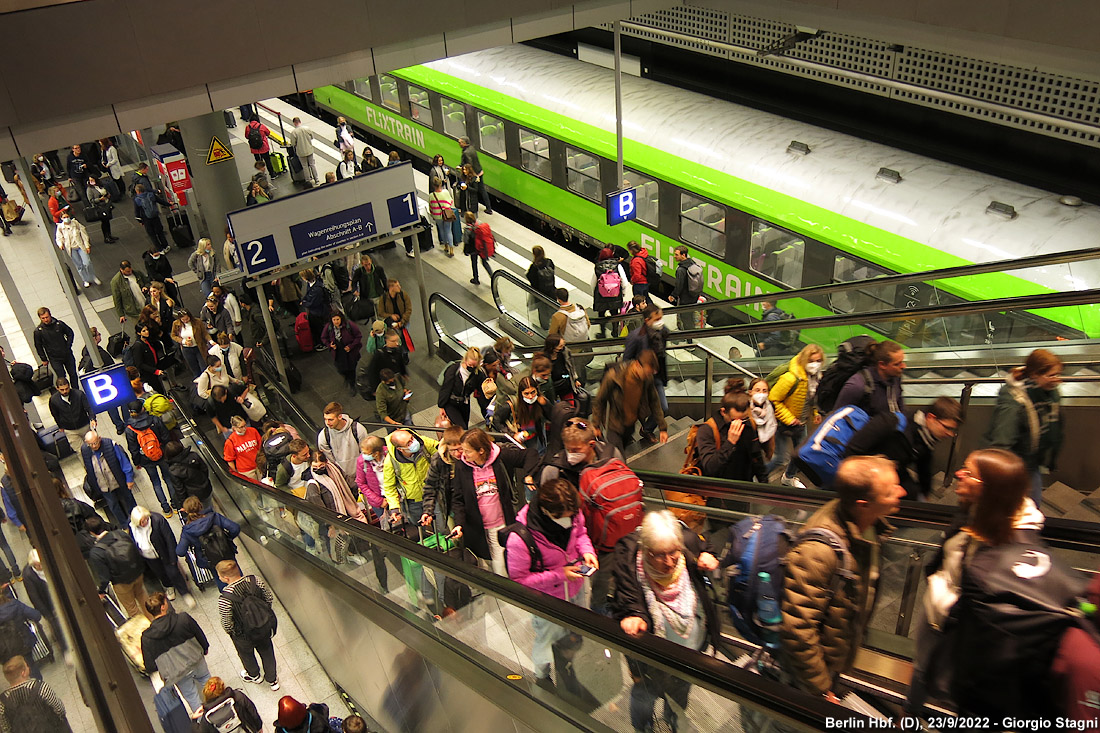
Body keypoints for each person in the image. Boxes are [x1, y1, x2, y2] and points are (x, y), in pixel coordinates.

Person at [778, 456, 903, 699]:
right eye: (890, 491)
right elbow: (797, 629)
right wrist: (821, 687)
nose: (902, 491)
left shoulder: (865, 524)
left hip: (836, 651)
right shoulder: (817, 553)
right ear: (863, 503)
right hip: (811, 672)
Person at [611, 510, 720, 733]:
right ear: (645, 550)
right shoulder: (631, 560)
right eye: (659, 554)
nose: (669, 562)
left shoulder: (687, 541)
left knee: (680, 696)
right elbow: (626, 599)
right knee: (644, 696)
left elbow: (705, 545)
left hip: (689, 653)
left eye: (674, 552)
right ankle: (643, 727)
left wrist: (708, 553)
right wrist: (634, 616)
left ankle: (673, 718)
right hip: (651, 659)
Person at [506, 478, 598, 688]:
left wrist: (587, 551)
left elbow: (581, 533)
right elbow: (520, 580)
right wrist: (560, 574)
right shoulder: (520, 538)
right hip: (548, 602)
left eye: (572, 515)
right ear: (548, 512)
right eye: (565, 517)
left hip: (576, 589)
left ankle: (570, 669)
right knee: (546, 642)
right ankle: (542, 677)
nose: (571, 520)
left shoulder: (572, 513)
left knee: (575, 636)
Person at [451, 428, 538, 575]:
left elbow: (530, 454)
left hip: (503, 522)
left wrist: (529, 475)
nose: (463, 454)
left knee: (504, 559)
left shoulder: (501, 457)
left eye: (467, 451)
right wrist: (459, 523)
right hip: (479, 526)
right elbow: (458, 498)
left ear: (481, 451)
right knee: (494, 560)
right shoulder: (462, 466)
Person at [983, 348, 1065, 504]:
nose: (1057, 380)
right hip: (1016, 465)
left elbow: (1055, 427)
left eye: (1058, 374)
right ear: (1035, 375)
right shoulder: (1014, 400)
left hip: (1033, 462)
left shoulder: (1049, 392)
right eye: (1051, 375)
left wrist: (1051, 459)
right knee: (1018, 509)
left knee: (1030, 508)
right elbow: (1002, 439)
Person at [845, 396, 962, 500]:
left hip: (892, 472)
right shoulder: (892, 423)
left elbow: (924, 466)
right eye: (947, 428)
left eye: (953, 430)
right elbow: (853, 449)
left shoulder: (927, 437)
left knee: (913, 495)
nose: (950, 434)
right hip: (868, 476)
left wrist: (925, 495)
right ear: (931, 418)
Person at [766, 343, 826, 488]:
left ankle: (788, 477)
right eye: (811, 361)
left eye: (818, 361)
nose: (815, 365)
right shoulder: (791, 377)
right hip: (783, 423)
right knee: (780, 458)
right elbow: (773, 399)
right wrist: (788, 418)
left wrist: (815, 413)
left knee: (800, 455)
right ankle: (756, 475)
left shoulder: (816, 377)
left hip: (801, 422)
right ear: (804, 360)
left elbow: (811, 399)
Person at [140, 591, 210, 712]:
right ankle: (222, 709)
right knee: (208, 683)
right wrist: (204, 649)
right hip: (196, 661)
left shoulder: (147, 638)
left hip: (176, 674)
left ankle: (204, 722)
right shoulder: (183, 618)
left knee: (192, 697)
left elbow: (150, 666)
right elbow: (200, 636)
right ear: (163, 607)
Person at [217, 559, 279, 690]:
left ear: (225, 578)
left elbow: (227, 622)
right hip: (262, 628)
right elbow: (269, 598)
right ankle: (272, 680)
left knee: (246, 655)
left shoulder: (225, 598)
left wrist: (232, 632)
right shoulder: (255, 580)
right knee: (267, 651)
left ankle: (255, 676)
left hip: (243, 635)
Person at [593, 350, 668, 452]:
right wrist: (595, 425)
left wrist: (662, 427)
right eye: (646, 373)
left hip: (630, 426)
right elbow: (600, 400)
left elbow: (654, 401)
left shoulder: (647, 379)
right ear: (637, 365)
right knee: (619, 460)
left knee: (622, 453)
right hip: (614, 425)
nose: (648, 376)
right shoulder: (614, 376)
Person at [303, 450, 367, 564]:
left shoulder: (334, 469)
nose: (318, 469)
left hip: (345, 508)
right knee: (339, 539)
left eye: (321, 465)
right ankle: (345, 556)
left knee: (349, 535)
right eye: (315, 466)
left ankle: (350, 553)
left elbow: (348, 481)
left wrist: (352, 497)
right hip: (332, 517)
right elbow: (318, 508)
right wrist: (329, 524)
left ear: (326, 462)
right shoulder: (313, 484)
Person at [692, 387, 768, 483]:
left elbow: (757, 458)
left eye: (743, 419)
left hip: (744, 485)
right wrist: (730, 442)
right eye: (734, 420)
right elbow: (710, 467)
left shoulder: (749, 424)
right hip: (716, 488)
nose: (739, 424)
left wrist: (764, 484)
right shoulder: (707, 430)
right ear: (723, 412)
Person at [86, 515, 150, 619]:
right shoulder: (120, 533)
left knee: (132, 608)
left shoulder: (96, 552)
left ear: (91, 533)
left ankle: (146, 629)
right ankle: (154, 619)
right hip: (137, 573)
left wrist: (101, 591)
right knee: (142, 595)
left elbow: (104, 577)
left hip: (122, 583)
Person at [125, 400, 178, 515]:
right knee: (168, 479)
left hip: (146, 460)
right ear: (143, 409)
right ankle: (175, 505)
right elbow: (165, 437)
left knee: (156, 482)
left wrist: (137, 462)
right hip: (162, 454)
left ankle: (166, 509)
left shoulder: (130, 429)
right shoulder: (154, 420)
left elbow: (133, 449)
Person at [382, 429, 439, 537]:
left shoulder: (424, 443)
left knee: (442, 526)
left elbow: (441, 451)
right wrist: (394, 508)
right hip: (413, 502)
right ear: (400, 449)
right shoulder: (391, 462)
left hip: (434, 495)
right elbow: (389, 487)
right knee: (422, 530)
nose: (413, 442)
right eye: (408, 443)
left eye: (412, 438)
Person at [178, 496, 241, 592]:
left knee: (219, 576)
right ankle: (243, 588)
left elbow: (180, 551)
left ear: (186, 511)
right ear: (201, 506)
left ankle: (228, 596)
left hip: (209, 559)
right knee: (235, 572)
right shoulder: (214, 517)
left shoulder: (187, 530)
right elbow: (235, 528)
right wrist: (227, 539)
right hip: (226, 551)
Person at [623, 305, 669, 436]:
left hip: (656, 377)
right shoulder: (636, 337)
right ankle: (625, 436)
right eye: (657, 319)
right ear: (647, 320)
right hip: (639, 380)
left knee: (663, 407)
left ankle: (647, 429)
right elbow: (626, 360)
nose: (660, 321)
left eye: (661, 318)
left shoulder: (662, 332)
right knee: (633, 411)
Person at [834, 339, 906, 417]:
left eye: (902, 361)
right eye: (897, 364)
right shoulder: (857, 385)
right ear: (882, 365)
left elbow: (900, 407)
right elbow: (837, 418)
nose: (903, 366)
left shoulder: (895, 376)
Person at [81, 430, 137, 527]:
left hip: (118, 480)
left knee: (128, 499)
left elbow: (124, 462)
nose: (94, 446)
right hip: (103, 485)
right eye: (90, 444)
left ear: (99, 438)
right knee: (113, 505)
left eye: (95, 442)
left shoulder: (110, 445)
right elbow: (89, 468)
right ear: (86, 443)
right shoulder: (85, 450)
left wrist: (129, 479)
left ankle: (136, 519)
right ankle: (124, 525)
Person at [0, 656, 70, 733]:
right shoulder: (41, 687)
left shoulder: (3, 701)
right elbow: (60, 709)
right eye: (27, 666)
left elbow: (5, 728)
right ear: (23, 673)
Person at [492, 376, 550, 458]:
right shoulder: (512, 405)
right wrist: (512, 435)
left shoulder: (540, 401)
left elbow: (550, 416)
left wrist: (545, 405)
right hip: (521, 438)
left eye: (533, 392)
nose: (530, 396)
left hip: (537, 434)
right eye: (526, 393)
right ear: (521, 393)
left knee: (540, 454)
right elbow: (496, 420)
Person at [22, 550, 65, 656]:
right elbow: (34, 597)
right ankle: (64, 648)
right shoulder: (28, 575)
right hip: (48, 605)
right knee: (57, 627)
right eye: (38, 565)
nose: (41, 566)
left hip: (61, 599)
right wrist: (46, 614)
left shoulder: (49, 564)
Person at [317, 402, 367, 485]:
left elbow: (365, 453)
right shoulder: (324, 436)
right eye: (325, 419)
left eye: (331, 419)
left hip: (363, 474)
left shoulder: (357, 429)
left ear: (340, 416)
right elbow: (330, 461)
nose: (327, 423)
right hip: (343, 479)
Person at [193, 676, 263, 733]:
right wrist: (259, 728)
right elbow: (253, 713)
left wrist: (194, 719)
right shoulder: (237, 696)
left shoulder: (207, 716)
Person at [437, 347, 484, 429]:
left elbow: (481, 387)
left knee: (465, 426)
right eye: (470, 365)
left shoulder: (478, 373)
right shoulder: (454, 370)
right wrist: (441, 406)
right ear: (465, 360)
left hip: (464, 403)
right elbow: (446, 388)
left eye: (474, 366)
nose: (472, 368)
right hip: (451, 403)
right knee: (462, 428)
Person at [32, 306, 78, 387]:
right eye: (43, 318)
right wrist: (44, 359)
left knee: (73, 374)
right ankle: (66, 391)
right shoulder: (39, 331)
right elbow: (38, 346)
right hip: (54, 358)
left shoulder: (59, 324)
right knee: (61, 377)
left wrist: (68, 345)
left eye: (47, 317)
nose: (45, 320)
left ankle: (76, 390)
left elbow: (70, 333)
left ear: (50, 315)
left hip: (67, 354)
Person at [54, 211, 101, 288]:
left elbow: (84, 234)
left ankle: (93, 277)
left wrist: (87, 246)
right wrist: (60, 244)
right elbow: (59, 238)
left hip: (80, 246)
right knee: (79, 265)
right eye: (64, 217)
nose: (66, 219)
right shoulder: (60, 228)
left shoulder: (75, 224)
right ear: (61, 218)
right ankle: (85, 279)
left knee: (87, 262)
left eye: (67, 216)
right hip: (72, 249)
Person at [358, 328, 408, 398]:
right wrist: (375, 389)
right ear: (386, 341)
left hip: (394, 377)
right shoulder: (379, 355)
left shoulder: (398, 350)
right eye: (393, 341)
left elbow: (400, 362)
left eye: (397, 340)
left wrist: (404, 373)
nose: (396, 343)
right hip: (384, 381)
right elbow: (372, 371)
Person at [321, 312, 363, 396]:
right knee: (341, 369)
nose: (336, 322)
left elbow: (358, 336)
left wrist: (351, 346)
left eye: (337, 319)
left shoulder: (349, 325)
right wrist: (330, 345)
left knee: (351, 368)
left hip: (350, 351)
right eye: (334, 320)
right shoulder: (329, 327)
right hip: (337, 351)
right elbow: (324, 337)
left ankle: (352, 384)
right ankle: (348, 378)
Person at [593, 247, 627, 337]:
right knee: (615, 314)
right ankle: (615, 333)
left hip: (601, 295)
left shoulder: (597, 266)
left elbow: (592, 283)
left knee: (601, 315)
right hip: (615, 294)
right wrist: (622, 292)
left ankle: (603, 333)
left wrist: (596, 293)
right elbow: (624, 282)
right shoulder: (618, 266)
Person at [669, 245, 704, 329]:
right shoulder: (692, 263)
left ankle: (689, 337)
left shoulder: (681, 270)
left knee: (685, 318)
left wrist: (673, 295)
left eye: (677, 255)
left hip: (685, 298)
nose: (674, 256)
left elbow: (679, 285)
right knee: (690, 315)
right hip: (693, 295)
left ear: (683, 255)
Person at [110, 260, 150, 331]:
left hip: (146, 305)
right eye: (127, 271)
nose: (130, 272)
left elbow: (147, 282)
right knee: (141, 329)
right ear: (121, 270)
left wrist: (146, 287)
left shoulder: (137, 273)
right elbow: (117, 299)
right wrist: (121, 314)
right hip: (134, 311)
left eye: (130, 270)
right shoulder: (116, 282)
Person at [458, 135, 493, 214]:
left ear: (464, 143)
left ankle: (467, 208)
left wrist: (462, 168)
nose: (459, 144)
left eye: (460, 142)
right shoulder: (472, 148)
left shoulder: (466, 152)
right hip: (479, 172)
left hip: (473, 174)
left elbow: (469, 164)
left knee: (469, 189)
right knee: (482, 190)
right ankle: (489, 208)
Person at [133, 183, 171, 250]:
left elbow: (137, 212)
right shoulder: (151, 195)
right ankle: (166, 246)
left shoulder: (137, 200)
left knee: (152, 235)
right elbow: (161, 201)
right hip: (155, 216)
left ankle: (159, 249)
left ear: (137, 191)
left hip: (146, 219)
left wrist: (140, 221)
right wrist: (169, 204)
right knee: (160, 232)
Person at [748, 377, 778, 461]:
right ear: (750, 392)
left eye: (764, 391)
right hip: (749, 445)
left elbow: (772, 426)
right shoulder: (745, 407)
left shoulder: (771, 407)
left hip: (766, 445)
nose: (761, 393)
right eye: (757, 390)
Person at [224, 417, 262, 481]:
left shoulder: (253, 431)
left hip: (259, 464)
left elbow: (260, 446)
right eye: (241, 427)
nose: (244, 429)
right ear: (234, 428)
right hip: (246, 471)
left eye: (245, 425)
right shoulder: (230, 441)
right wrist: (236, 474)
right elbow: (230, 460)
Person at [427, 176, 457, 257]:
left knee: (442, 230)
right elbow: (451, 202)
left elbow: (430, 207)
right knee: (448, 231)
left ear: (433, 185)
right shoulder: (445, 192)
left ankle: (445, 246)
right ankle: (451, 249)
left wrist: (433, 215)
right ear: (441, 184)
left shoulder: (431, 195)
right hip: (447, 215)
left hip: (437, 216)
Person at [284, 117, 318, 184]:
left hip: (301, 152)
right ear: (300, 121)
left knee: (305, 166)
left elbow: (293, 143)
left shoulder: (294, 132)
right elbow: (312, 137)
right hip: (309, 150)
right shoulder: (307, 128)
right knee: (312, 165)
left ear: (294, 123)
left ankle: (308, 180)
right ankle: (316, 180)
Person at [463, 210, 493, 284]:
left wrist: (465, 251)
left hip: (473, 248)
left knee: (474, 263)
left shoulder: (467, 229)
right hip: (482, 247)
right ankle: (493, 278)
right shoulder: (479, 223)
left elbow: (466, 241)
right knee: (484, 263)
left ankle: (476, 279)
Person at [84, 177, 117, 243]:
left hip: (106, 205)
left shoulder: (100, 186)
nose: (91, 181)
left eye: (92, 180)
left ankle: (109, 235)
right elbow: (91, 200)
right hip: (100, 207)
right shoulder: (89, 189)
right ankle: (106, 237)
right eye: (90, 180)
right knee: (104, 222)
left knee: (107, 221)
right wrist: (99, 199)